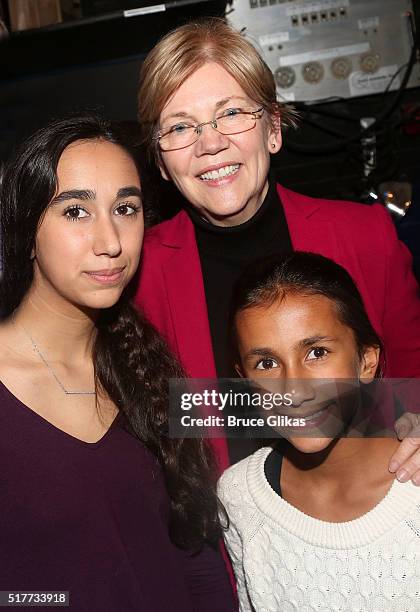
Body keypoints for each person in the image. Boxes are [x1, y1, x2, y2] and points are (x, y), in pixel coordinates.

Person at [134, 18, 420, 472]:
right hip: (225, 535)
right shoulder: (137, 274)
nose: (210, 143)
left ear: (273, 128)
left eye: (230, 113)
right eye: (181, 127)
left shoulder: (365, 236)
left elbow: (412, 380)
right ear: (162, 163)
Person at [0, 113, 236, 611]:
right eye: (75, 212)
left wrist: (395, 417)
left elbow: (193, 555)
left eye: (126, 208)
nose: (110, 242)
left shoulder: (144, 368)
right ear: (26, 224)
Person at [218, 251, 420, 611]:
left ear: (366, 361)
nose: (294, 389)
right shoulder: (239, 496)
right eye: (266, 363)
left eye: (317, 353)